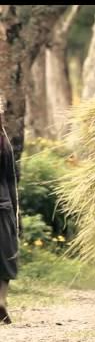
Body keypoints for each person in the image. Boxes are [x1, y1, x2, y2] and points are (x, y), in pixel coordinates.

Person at [0, 105, 19, 324]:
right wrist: (15, 213)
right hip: (3, 205)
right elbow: (11, 180)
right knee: (7, 255)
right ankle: (1, 300)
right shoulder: (4, 143)